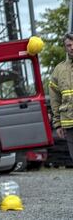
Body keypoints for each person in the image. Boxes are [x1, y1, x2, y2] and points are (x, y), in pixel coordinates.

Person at [49, 32, 73, 161]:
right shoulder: (59, 70)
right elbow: (55, 100)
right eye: (69, 45)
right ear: (65, 48)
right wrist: (57, 124)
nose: (72, 48)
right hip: (69, 124)